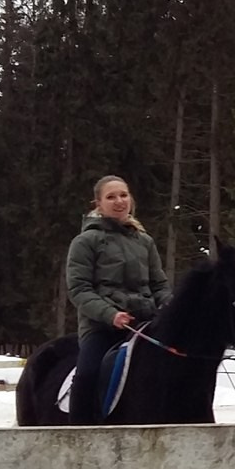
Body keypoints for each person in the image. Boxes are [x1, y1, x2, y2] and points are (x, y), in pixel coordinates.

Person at [64, 175, 169, 426]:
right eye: (111, 197)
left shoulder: (145, 241)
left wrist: (169, 306)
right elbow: (79, 289)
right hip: (102, 328)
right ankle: (77, 433)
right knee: (87, 375)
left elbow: (159, 285)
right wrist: (111, 314)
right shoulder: (85, 242)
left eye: (123, 195)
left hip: (145, 325)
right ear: (98, 204)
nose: (119, 201)